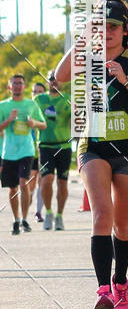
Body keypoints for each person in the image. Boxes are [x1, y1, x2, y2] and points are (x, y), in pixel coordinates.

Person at [55, 0, 128, 309]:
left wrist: (124, 79)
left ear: (124, 28)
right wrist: (84, 38)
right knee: (102, 214)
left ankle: (121, 282)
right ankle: (103, 290)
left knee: (124, 223)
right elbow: (59, 76)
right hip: (93, 144)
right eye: (100, 26)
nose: (107, 31)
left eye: (113, 26)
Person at [0, 74, 46, 234]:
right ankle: (16, 219)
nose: (18, 86)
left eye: (20, 83)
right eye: (15, 83)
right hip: (9, 153)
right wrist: (9, 120)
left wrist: (33, 123)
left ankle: (25, 219)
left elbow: (43, 124)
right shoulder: (3, 106)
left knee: (23, 182)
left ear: (25, 87)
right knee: (12, 188)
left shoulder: (31, 104)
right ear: (9, 87)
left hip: (27, 151)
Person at [35, 74, 72, 230]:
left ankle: (59, 216)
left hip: (64, 146)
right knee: (47, 179)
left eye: (57, 77)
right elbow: (32, 118)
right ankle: (48, 213)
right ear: (47, 81)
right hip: (46, 146)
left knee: (62, 183)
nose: (54, 81)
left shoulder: (69, 99)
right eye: (51, 78)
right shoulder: (39, 100)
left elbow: (77, 121)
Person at [31, 80, 46, 221]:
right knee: (29, 183)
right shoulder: (26, 108)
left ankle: (38, 212)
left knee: (41, 181)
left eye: (40, 92)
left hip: (42, 150)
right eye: (35, 92)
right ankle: (24, 212)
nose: (37, 95)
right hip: (28, 152)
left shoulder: (49, 109)